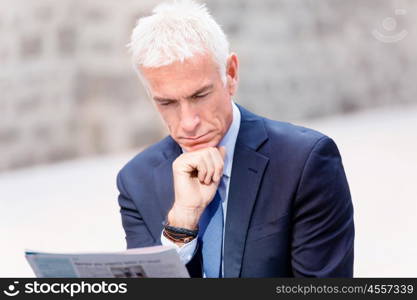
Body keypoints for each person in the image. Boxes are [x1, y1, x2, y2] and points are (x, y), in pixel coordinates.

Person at [117, 0, 354, 278]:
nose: (188, 122)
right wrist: (182, 221)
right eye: (167, 103)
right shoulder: (136, 181)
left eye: (200, 95)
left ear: (230, 74)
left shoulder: (304, 162)